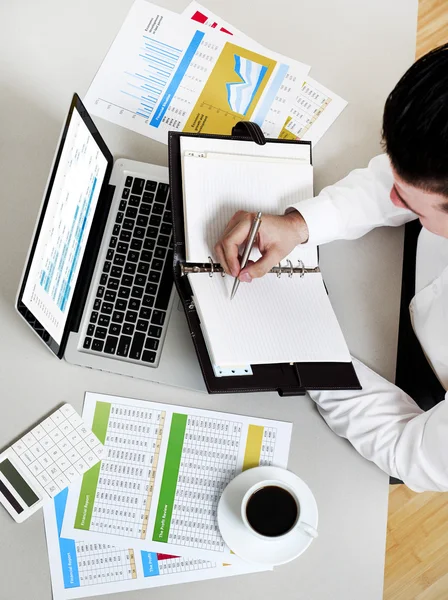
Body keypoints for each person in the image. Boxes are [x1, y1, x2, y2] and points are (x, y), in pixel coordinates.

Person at [214, 44, 448, 493]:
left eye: (409, 202)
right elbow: (394, 182)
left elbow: (406, 450)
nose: (393, 198)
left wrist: (309, 357)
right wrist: (300, 224)